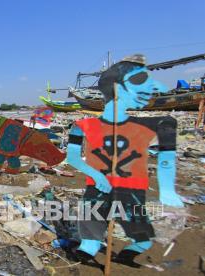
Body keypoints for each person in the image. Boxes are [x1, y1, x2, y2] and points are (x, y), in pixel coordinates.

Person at [66, 54, 183, 267]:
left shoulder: (155, 125)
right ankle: (86, 254)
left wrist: (168, 189)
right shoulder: (82, 126)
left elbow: (167, 156)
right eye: (141, 81)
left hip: (132, 192)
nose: (152, 88)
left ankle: (124, 255)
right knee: (89, 243)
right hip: (97, 190)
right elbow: (71, 157)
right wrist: (95, 174)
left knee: (142, 240)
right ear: (116, 88)